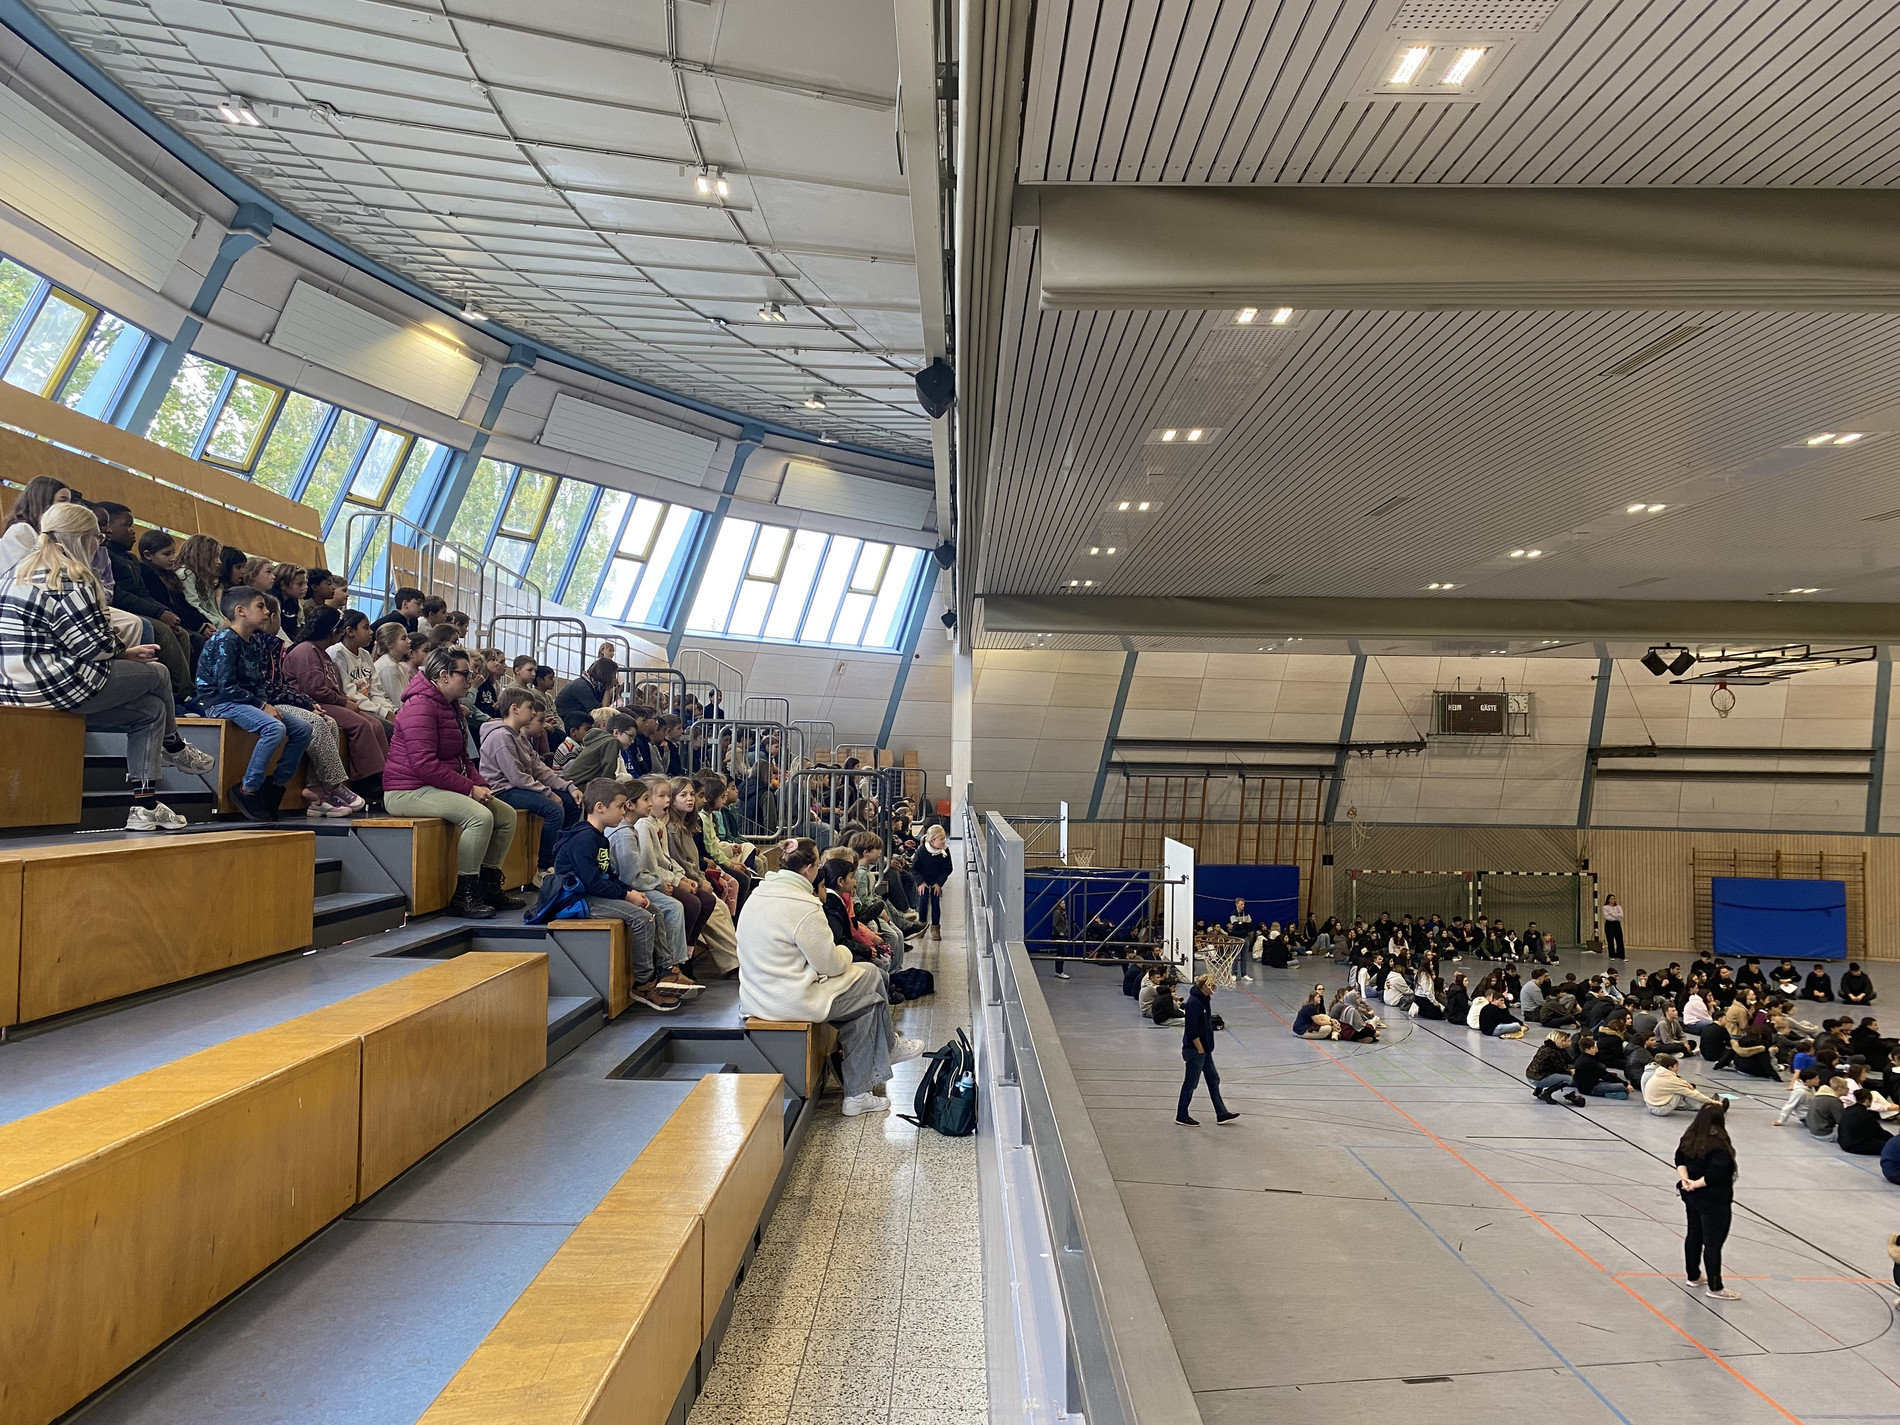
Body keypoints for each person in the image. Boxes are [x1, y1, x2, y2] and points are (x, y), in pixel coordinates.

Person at [0, 503, 212, 829]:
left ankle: (145, 806)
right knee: (158, 673)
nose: (98, 545)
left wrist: (121, 653)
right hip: (56, 682)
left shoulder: (16, 572)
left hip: (14, 686)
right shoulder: (72, 576)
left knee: (152, 709)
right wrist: (123, 650)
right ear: (82, 538)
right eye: (97, 538)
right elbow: (93, 646)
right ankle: (174, 745)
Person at [735, 837, 923, 1116]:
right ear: (809, 869)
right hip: (788, 998)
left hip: (756, 993)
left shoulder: (758, 894)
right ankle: (873, 1069)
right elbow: (831, 965)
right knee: (871, 986)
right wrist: (845, 953)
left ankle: (864, 1086)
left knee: (869, 991)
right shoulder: (803, 905)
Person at [383, 647, 521, 918]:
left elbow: (463, 756)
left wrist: (481, 783)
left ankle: (489, 887)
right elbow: (424, 765)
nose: (471, 679)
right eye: (465, 674)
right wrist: (469, 789)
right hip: (406, 790)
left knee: (506, 815)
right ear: (444, 675)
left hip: (433, 786)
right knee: (480, 817)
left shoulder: (451, 705)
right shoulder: (420, 706)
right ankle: (464, 894)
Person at [553, 779, 692, 1011]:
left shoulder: (599, 837)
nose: (623, 811)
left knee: (654, 911)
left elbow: (609, 875)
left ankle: (666, 971)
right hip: (576, 899)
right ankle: (644, 984)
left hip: (593, 893)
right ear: (600, 807)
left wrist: (631, 892)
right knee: (643, 918)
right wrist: (627, 896)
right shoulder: (583, 839)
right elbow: (592, 883)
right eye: (619, 806)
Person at [196, 586, 316, 823]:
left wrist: (266, 704)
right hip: (220, 702)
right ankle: (247, 789)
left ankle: (275, 786)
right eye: (260, 606)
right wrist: (262, 707)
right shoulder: (225, 640)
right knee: (274, 728)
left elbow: (258, 682)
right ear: (241, 611)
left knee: (303, 729)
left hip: (244, 701)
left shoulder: (253, 642)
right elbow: (226, 687)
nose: (267, 612)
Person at [253, 596, 364, 816]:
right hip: (264, 703)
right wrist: (308, 702)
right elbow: (268, 688)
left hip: (283, 700)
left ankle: (316, 793)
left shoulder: (274, 645)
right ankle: (334, 784)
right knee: (315, 723)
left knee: (328, 721)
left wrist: (309, 703)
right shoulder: (294, 649)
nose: (268, 615)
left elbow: (282, 686)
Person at [95, 502, 194, 704]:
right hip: (122, 609)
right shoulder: (107, 555)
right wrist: (157, 614)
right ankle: (180, 695)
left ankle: (184, 693)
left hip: (141, 608)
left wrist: (162, 611)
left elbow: (142, 592)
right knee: (160, 630)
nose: (133, 531)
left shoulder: (130, 559)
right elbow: (117, 594)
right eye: (127, 525)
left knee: (181, 633)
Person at [284, 607, 389, 797]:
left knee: (375, 724)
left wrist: (343, 698)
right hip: (312, 703)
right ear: (333, 632)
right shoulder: (306, 651)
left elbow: (330, 685)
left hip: (327, 700)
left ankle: (384, 775)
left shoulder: (320, 652)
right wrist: (342, 701)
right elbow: (313, 690)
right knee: (360, 724)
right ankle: (365, 780)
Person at [479, 688, 581, 875]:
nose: (534, 713)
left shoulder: (518, 735)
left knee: (572, 803)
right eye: (530, 707)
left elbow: (539, 769)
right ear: (515, 709)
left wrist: (569, 787)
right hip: (502, 790)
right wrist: (549, 794)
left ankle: (562, 857)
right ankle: (543, 866)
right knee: (554, 810)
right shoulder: (501, 736)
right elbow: (517, 777)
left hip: (517, 787)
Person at [606, 777, 693, 981]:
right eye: (646, 799)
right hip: (630, 887)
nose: (651, 803)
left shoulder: (632, 829)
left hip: (635, 884)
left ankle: (671, 965)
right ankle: (668, 967)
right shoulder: (626, 833)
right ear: (630, 805)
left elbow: (664, 861)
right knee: (672, 907)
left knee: (670, 907)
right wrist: (660, 883)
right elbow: (632, 877)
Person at [1675, 1101, 1740, 1300]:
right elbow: (1716, 1175)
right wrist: (1696, 1184)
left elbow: (1679, 1159)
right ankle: (1715, 1287)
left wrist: (1686, 1180)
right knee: (1713, 1243)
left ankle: (1693, 1275)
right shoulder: (1718, 1144)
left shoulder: (1689, 1137)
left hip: (1691, 1197)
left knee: (1694, 1233)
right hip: (1713, 1199)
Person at [1175, 974, 1239, 1127]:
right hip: (1195, 1050)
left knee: (1213, 1079)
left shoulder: (1204, 1000)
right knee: (1191, 1083)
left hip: (1205, 1050)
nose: (1214, 989)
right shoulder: (1194, 1003)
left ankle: (1221, 1113)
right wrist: (1200, 1049)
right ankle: (1181, 1115)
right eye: (1212, 986)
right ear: (1204, 986)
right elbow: (1192, 1030)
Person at [1644, 1054, 1725, 1116]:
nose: (1678, 1068)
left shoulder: (1659, 1073)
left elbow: (1679, 1081)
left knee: (1683, 1089)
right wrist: (1712, 1101)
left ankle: (1706, 1104)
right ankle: (1709, 1107)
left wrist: (1686, 1084)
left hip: (1650, 1106)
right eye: (1676, 1066)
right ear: (1670, 1068)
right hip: (1660, 1109)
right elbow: (1693, 1094)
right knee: (1684, 1092)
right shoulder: (1671, 1080)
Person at [913, 823, 951, 939]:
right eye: (941, 839)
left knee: (935, 902)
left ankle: (935, 927)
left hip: (936, 880)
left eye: (944, 839)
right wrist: (920, 882)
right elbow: (914, 869)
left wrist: (939, 883)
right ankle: (922, 925)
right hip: (923, 879)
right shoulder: (921, 851)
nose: (944, 841)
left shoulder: (944, 852)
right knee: (923, 901)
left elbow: (948, 869)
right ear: (931, 840)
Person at [555, 657, 619, 726]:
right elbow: (601, 713)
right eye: (614, 675)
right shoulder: (582, 686)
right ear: (606, 674)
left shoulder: (595, 686)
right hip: (565, 722)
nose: (615, 678)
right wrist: (608, 688)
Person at [1526, 1031, 1584, 1105]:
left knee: (1549, 1070)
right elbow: (1561, 1069)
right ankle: (1547, 1093)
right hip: (1537, 1079)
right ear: (1562, 1041)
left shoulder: (1544, 1047)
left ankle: (1538, 1090)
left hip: (1531, 1075)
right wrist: (1570, 1072)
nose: (1571, 1042)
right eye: (1568, 1041)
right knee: (1568, 1079)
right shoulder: (1554, 1052)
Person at [1571, 1033, 1631, 1098]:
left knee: (1616, 1084)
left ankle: (1612, 1092)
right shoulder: (1588, 1062)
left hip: (1592, 1082)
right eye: (1593, 1048)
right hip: (1590, 1088)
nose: (1595, 1049)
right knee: (1622, 1087)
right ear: (1587, 1050)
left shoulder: (1587, 1057)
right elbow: (1604, 1075)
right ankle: (1607, 1094)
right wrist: (1625, 1084)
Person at [372, 623, 415, 707]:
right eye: (403, 638)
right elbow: (400, 702)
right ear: (389, 644)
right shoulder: (388, 667)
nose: (409, 641)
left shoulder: (395, 664)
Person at [1602, 894, 1626, 959]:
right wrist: (1616, 916)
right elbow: (1607, 917)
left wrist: (1612, 914)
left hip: (1617, 924)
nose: (1613, 900)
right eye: (1611, 898)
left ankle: (1620, 955)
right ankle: (1612, 955)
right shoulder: (1605, 907)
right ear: (1608, 899)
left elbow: (1620, 916)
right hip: (1609, 924)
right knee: (1610, 940)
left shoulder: (1618, 907)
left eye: (1614, 898)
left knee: (1619, 939)